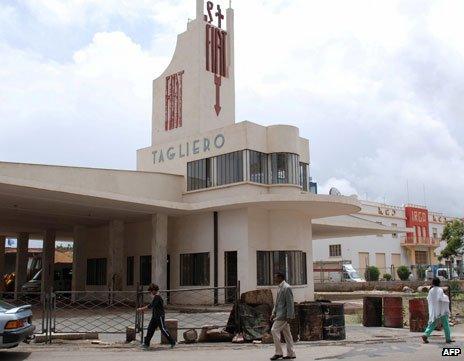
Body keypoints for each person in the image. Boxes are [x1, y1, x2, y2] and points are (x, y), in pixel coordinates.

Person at [137, 283, 176, 349]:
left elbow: (151, 305)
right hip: (155, 316)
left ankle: (172, 342)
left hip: (159, 316)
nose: (151, 293)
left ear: (154, 290)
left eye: (151, 291)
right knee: (150, 329)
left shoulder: (157, 296)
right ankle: (146, 343)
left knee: (163, 329)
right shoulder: (156, 296)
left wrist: (142, 309)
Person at [270, 272, 296, 360]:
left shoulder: (287, 287)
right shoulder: (280, 287)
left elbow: (290, 303)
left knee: (274, 330)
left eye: (276, 277)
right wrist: (273, 313)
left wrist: (289, 316)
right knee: (287, 334)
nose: (274, 279)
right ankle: (291, 353)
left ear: (280, 278)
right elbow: (277, 303)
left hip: (283, 315)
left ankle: (279, 352)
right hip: (279, 314)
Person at [422, 277, 454, 344]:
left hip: (434, 311)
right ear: (439, 283)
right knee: (446, 324)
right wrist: (446, 297)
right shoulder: (440, 290)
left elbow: (428, 299)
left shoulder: (431, 290)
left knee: (433, 324)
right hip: (441, 311)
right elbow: (440, 298)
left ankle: (426, 334)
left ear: (433, 283)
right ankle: (448, 339)